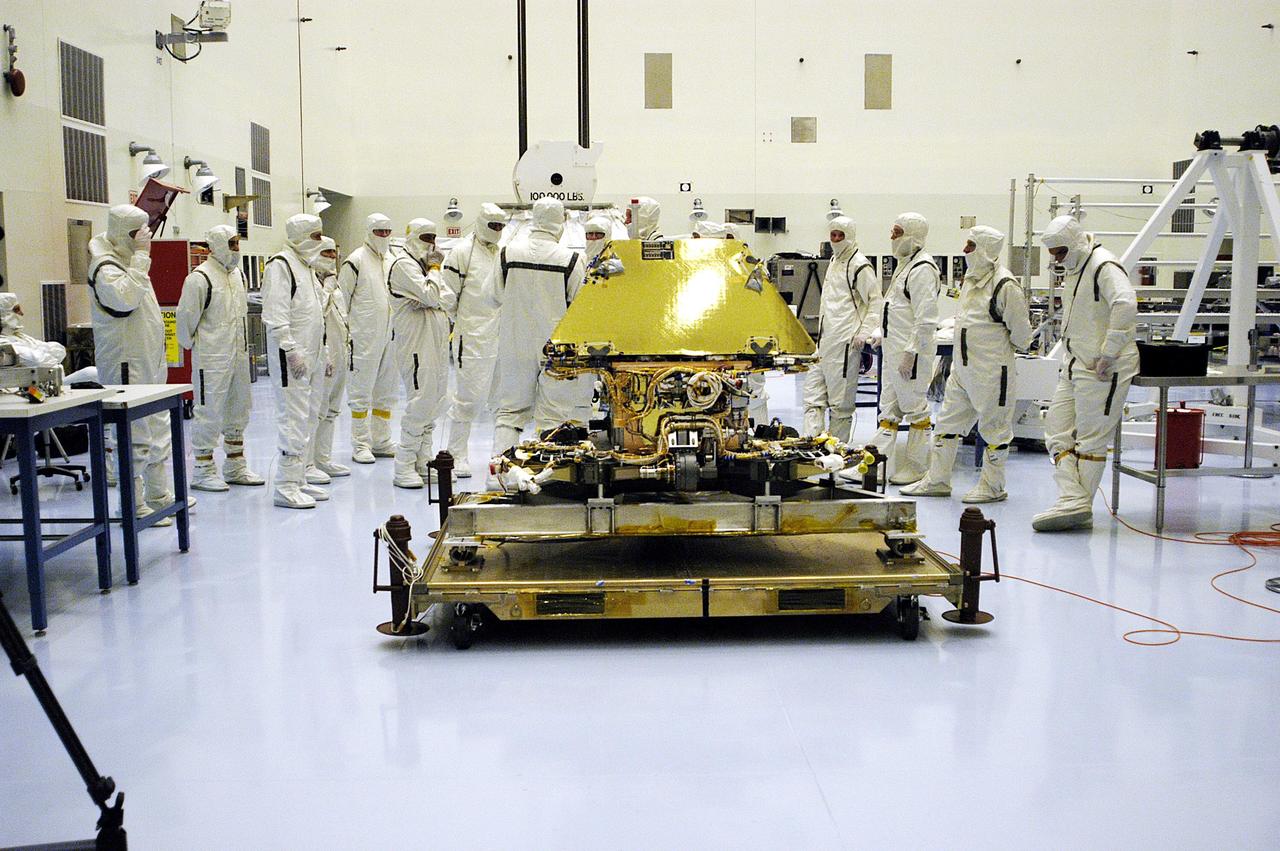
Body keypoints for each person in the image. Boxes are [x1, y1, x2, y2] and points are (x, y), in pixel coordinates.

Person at [902, 226, 1032, 502]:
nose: (964, 251)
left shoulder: (1004, 285)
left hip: (992, 371)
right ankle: (937, 479)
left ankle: (993, 486)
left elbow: (1022, 335)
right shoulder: (972, 281)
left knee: (994, 429)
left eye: (971, 246)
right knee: (947, 424)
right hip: (962, 371)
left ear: (985, 249)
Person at [1032, 215, 1138, 531]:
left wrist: (1109, 352)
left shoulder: (1104, 265)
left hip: (1104, 368)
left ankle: (1077, 505)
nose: (1057, 259)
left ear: (1076, 241)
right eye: (1053, 253)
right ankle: (1074, 499)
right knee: (1055, 432)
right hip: (1076, 363)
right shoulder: (1077, 269)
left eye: (1061, 251)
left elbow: (1125, 304)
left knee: (1091, 441)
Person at [88, 205, 180, 519]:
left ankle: (158, 493)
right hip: (127, 364)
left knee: (157, 429)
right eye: (134, 234)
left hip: (148, 361)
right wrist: (141, 259)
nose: (142, 240)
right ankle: (132, 502)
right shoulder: (106, 267)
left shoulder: (128, 262)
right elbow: (124, 300)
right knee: (134, 434)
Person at [489, 197, 586, 462]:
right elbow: (579, 306)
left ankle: (501, 471)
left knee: (510, 411)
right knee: (554, 412)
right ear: (560, 223)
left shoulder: (507, 254)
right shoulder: (571, 259)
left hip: (513, 342)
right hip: (557, 348)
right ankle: (549, 474)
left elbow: (493, 296)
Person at [175, 225, 264, 492]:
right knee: (209, 410)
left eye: (238, 243)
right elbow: (185, 318)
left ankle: (235, 465)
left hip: (238, 353)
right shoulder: (200, 278)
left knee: (239, 407)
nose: (237, 249)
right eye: (232, 243)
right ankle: (203, 469)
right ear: (217, 245)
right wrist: (197, 346)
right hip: (211, 356)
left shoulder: (237, 275)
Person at [261, 214, 329, 509]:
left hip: (311, 352)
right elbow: (276, 312)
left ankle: (299, 478)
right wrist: (290, 348)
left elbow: (314, 313)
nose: (319, 242)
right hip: (292, 355)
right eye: (315, 236)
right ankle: (285, 486)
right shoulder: (282, 265)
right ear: (301, 235)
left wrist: (323, 352)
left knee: (309, 415)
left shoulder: (306, 267)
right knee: (293, 417)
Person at [868, 212, 940, 485]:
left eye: (897, 232)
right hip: (893, 352)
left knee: (915, 409)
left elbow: (926, 318)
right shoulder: (906, 266)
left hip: (910, 356)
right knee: (888, 409)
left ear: (912, 236)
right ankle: (876, 465)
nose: (892, 237)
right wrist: (881, 333)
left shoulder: (922, 269)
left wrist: (911, 352)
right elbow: (896, 308)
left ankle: (917, 467)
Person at [802, 216, 881, 443]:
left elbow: (875, 302)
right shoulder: (835, 262)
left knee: (840, 405)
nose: (836, 240)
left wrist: (863, 332)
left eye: (841, 236)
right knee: (813, 397)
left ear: (851, 236)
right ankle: (811, 447)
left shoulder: (860, 265)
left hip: (845, 344)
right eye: (833, 235)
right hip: (824, 342)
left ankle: (835, 457)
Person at [441, 203, 505, 478]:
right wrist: (467, 325)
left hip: (500, 336)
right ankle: (456, 454)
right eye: (493, 225)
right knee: (468, 399)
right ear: (481, 223)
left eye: (501, 227)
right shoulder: (461, 254)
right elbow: (448, 298)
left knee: (502, 401)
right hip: (472, 337)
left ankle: (501, 455)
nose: (497, 231)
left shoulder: (501, 254)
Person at [389, 219, 453, 489]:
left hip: (435, 343)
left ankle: (422, 461)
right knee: (421, 401)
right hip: (415, 345)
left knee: (435, 401)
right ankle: (403, 464)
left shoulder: (422, 268)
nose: (431, 244)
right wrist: (435, 272)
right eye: (426, 237)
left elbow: (446, 298)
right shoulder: (404, 265)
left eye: (434, 238)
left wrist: (430, 293)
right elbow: (431, 296)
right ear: (413, 236)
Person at [339, 213, 399, 464]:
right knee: (361, 390)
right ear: (369, 231)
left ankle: (382, 440)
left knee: (386, 390)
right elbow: (341, 299)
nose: (384, 236)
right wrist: (346, 335)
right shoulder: (355, 261)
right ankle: (361, 443)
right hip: (363, 337)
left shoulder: (393, 260)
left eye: (387, 231)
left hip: (391, 335)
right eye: (379, 231)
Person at [307, 237, 351, 480]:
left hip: (340, 352)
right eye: (325, 253)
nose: (332, 258)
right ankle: (308, 462)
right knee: (318, 409)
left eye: (334, 253)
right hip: (322, 355)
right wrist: (326, 288)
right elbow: (316, 314)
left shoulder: (335, 286)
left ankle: (323, 458)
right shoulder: (312, 285)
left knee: (333, 409)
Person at [0, 294, 66, 367]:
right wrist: (44, 352)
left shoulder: (20, 336)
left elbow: (60, 349)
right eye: (16, 310)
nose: (21, 314)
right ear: (3, 314)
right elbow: (38, 362)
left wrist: (39, 352)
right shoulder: (3, 342)